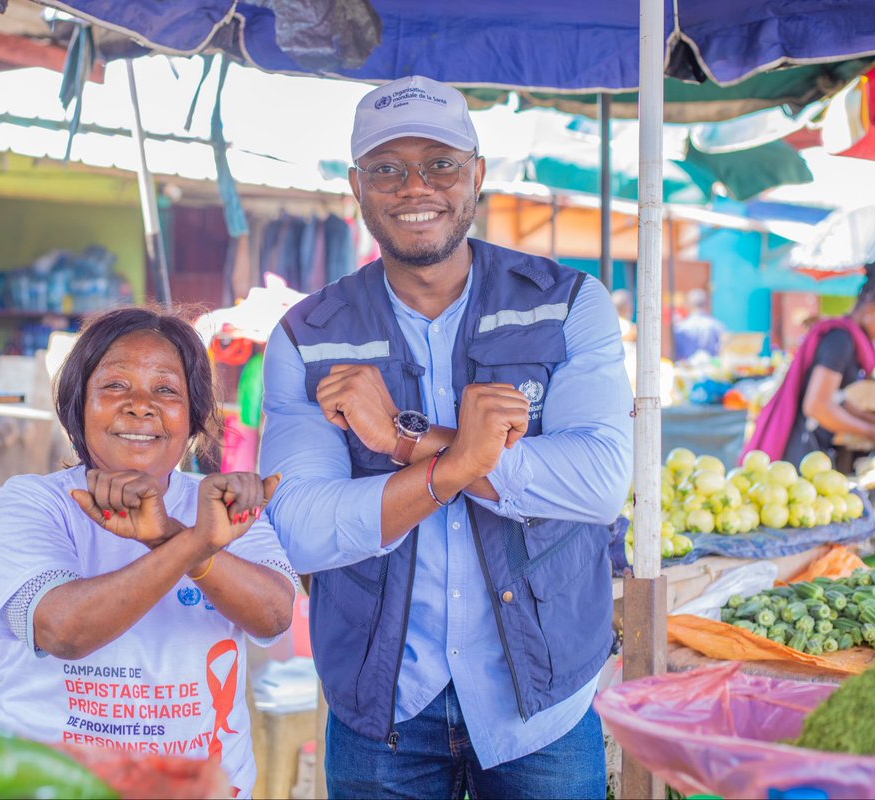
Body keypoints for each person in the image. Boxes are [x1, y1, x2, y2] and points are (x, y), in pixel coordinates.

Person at [260, 75, 633, 799]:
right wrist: (456, 462)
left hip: (541, 699)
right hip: (383, 701)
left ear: (477, 176)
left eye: (439, 164)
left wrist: (408, 443)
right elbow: (302, 531)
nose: (414, 187)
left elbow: (596, 484)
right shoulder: (307, 336)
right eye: (387, 168)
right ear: (357, 186)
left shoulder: (568, 303)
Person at [0, 307, 297, 798]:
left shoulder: (219, 502)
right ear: (77, 405)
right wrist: (190, 542)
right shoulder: (33, 501)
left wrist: (168, 533)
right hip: (48, 784)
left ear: (192, 416)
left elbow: (274, 615)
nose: (141, 406)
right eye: (115, 386)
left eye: (166, 390)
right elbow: (63, 630)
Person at [744, 258, 875, 471]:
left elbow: (837, 397)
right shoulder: (841, 341)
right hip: (805, 451)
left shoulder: (850, 339)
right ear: (871, 310)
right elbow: (818, 406)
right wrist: (868, 430)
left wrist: (873, 421)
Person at [673, 288, 726, 360]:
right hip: (712, 368)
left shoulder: (681, 327)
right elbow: (722, 350)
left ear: (689, 304)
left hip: (688, 369)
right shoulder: (717, 326)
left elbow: (678, 353)